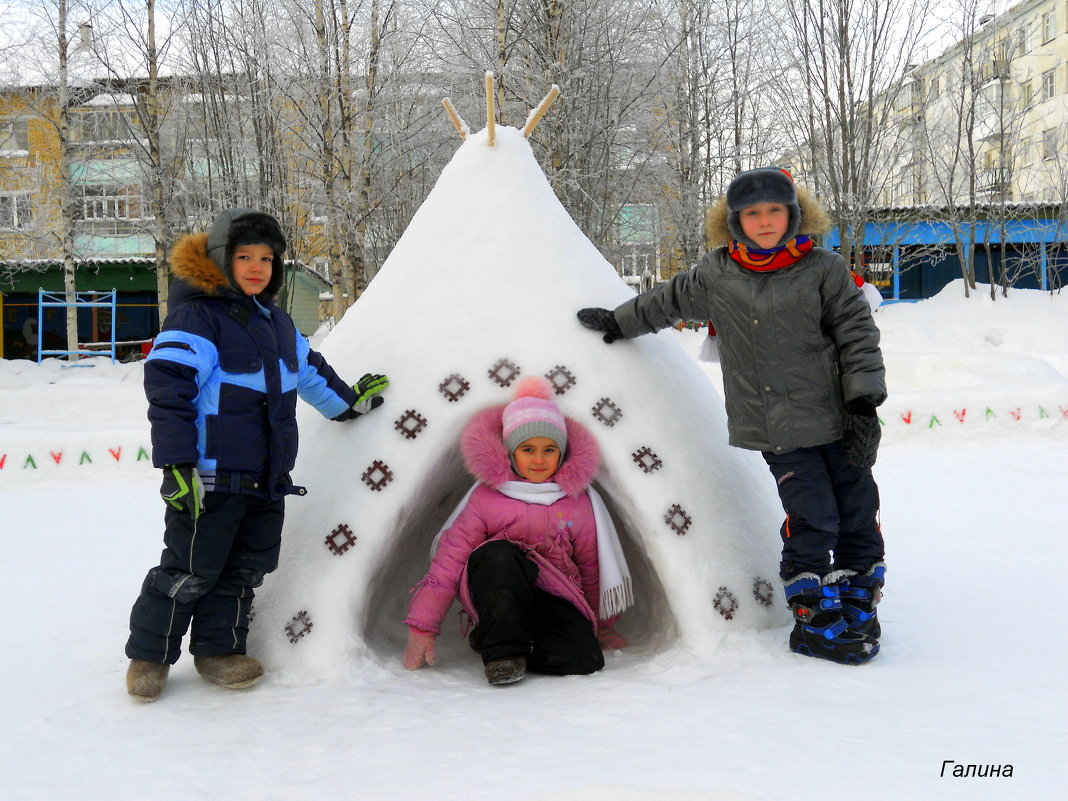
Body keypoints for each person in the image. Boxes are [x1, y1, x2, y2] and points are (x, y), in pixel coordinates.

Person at [577, 167, 887, 665]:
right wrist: (620, 321)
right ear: (735, 221)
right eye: (752, 214)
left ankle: (856, 598)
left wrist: (864, 405)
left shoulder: (823, 269)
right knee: (815, 516)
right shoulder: (719, 272)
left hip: (839, 415)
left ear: (794, 214)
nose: (765, 221)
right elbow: (670, 299)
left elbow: (857, 335)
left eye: (774, 211)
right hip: (775, 425)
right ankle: (811, 615)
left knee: (857, 510)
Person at [125, 208, 389, 701]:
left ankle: (218, 651)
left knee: (246, 569)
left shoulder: (279, 324)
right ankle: (150, 656)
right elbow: (168, 390)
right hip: (209, 477)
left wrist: (348, 405)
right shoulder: (196, 319)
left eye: (267, 259)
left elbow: (310, 373)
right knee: (189, 567)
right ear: (222, 259)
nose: (256, 267)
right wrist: (176, 464)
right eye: (244, 256)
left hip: (268, 478)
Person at [402, 376, 632, 685]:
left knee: (585, 660)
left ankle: (506, 636)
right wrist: (423, 626)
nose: (539, 460)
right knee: (499, 554)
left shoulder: (576, 502)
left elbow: (591, 566)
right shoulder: (487, 497)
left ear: (562, 453)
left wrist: (599, 623)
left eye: (549, 449)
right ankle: (502, 655)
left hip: (555, 593)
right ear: (511, 452)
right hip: (498, 587)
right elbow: (449, 562)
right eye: (528, 449)